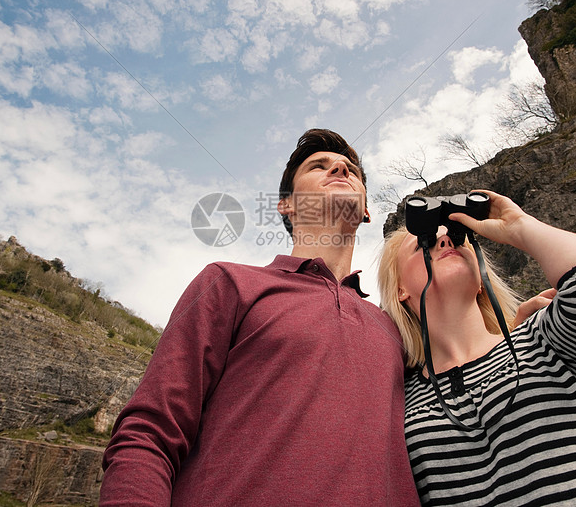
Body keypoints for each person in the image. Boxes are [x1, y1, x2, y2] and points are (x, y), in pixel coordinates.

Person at [100, 129, 421, 506]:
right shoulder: (229, 283)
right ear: (285, 205)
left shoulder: (397, 329)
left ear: (366, 210)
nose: (339, 167)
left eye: (351, 169)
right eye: (319, 166)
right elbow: (149, 432)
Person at [377, 190, 576, 506]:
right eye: (424, 241)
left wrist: (518, 227)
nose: (446, 241)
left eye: (457, 239)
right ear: (400, 289)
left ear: (481, 280)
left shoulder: (541, 340)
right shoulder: (397, 399)